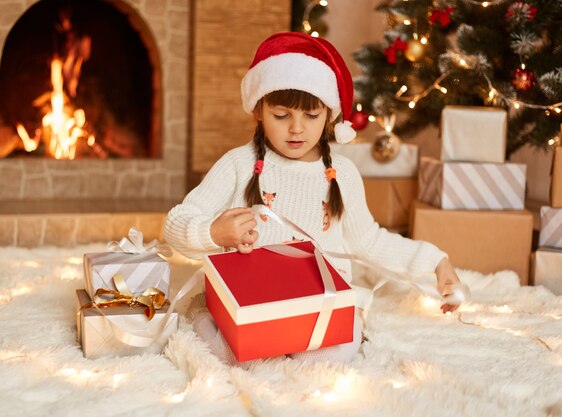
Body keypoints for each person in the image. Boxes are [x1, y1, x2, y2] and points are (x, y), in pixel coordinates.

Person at [164, 32, 461, 365]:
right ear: (259, 111)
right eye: (281, 116)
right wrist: (213, 233)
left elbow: (369, 241)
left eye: (311, 116)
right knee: (218, 347)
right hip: (252, 302)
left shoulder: (342, 173)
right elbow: (177, 222)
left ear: (329, 117)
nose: (296, 129)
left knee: (336, 348)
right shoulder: (238, 164)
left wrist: (436, 260)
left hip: (317, 303)